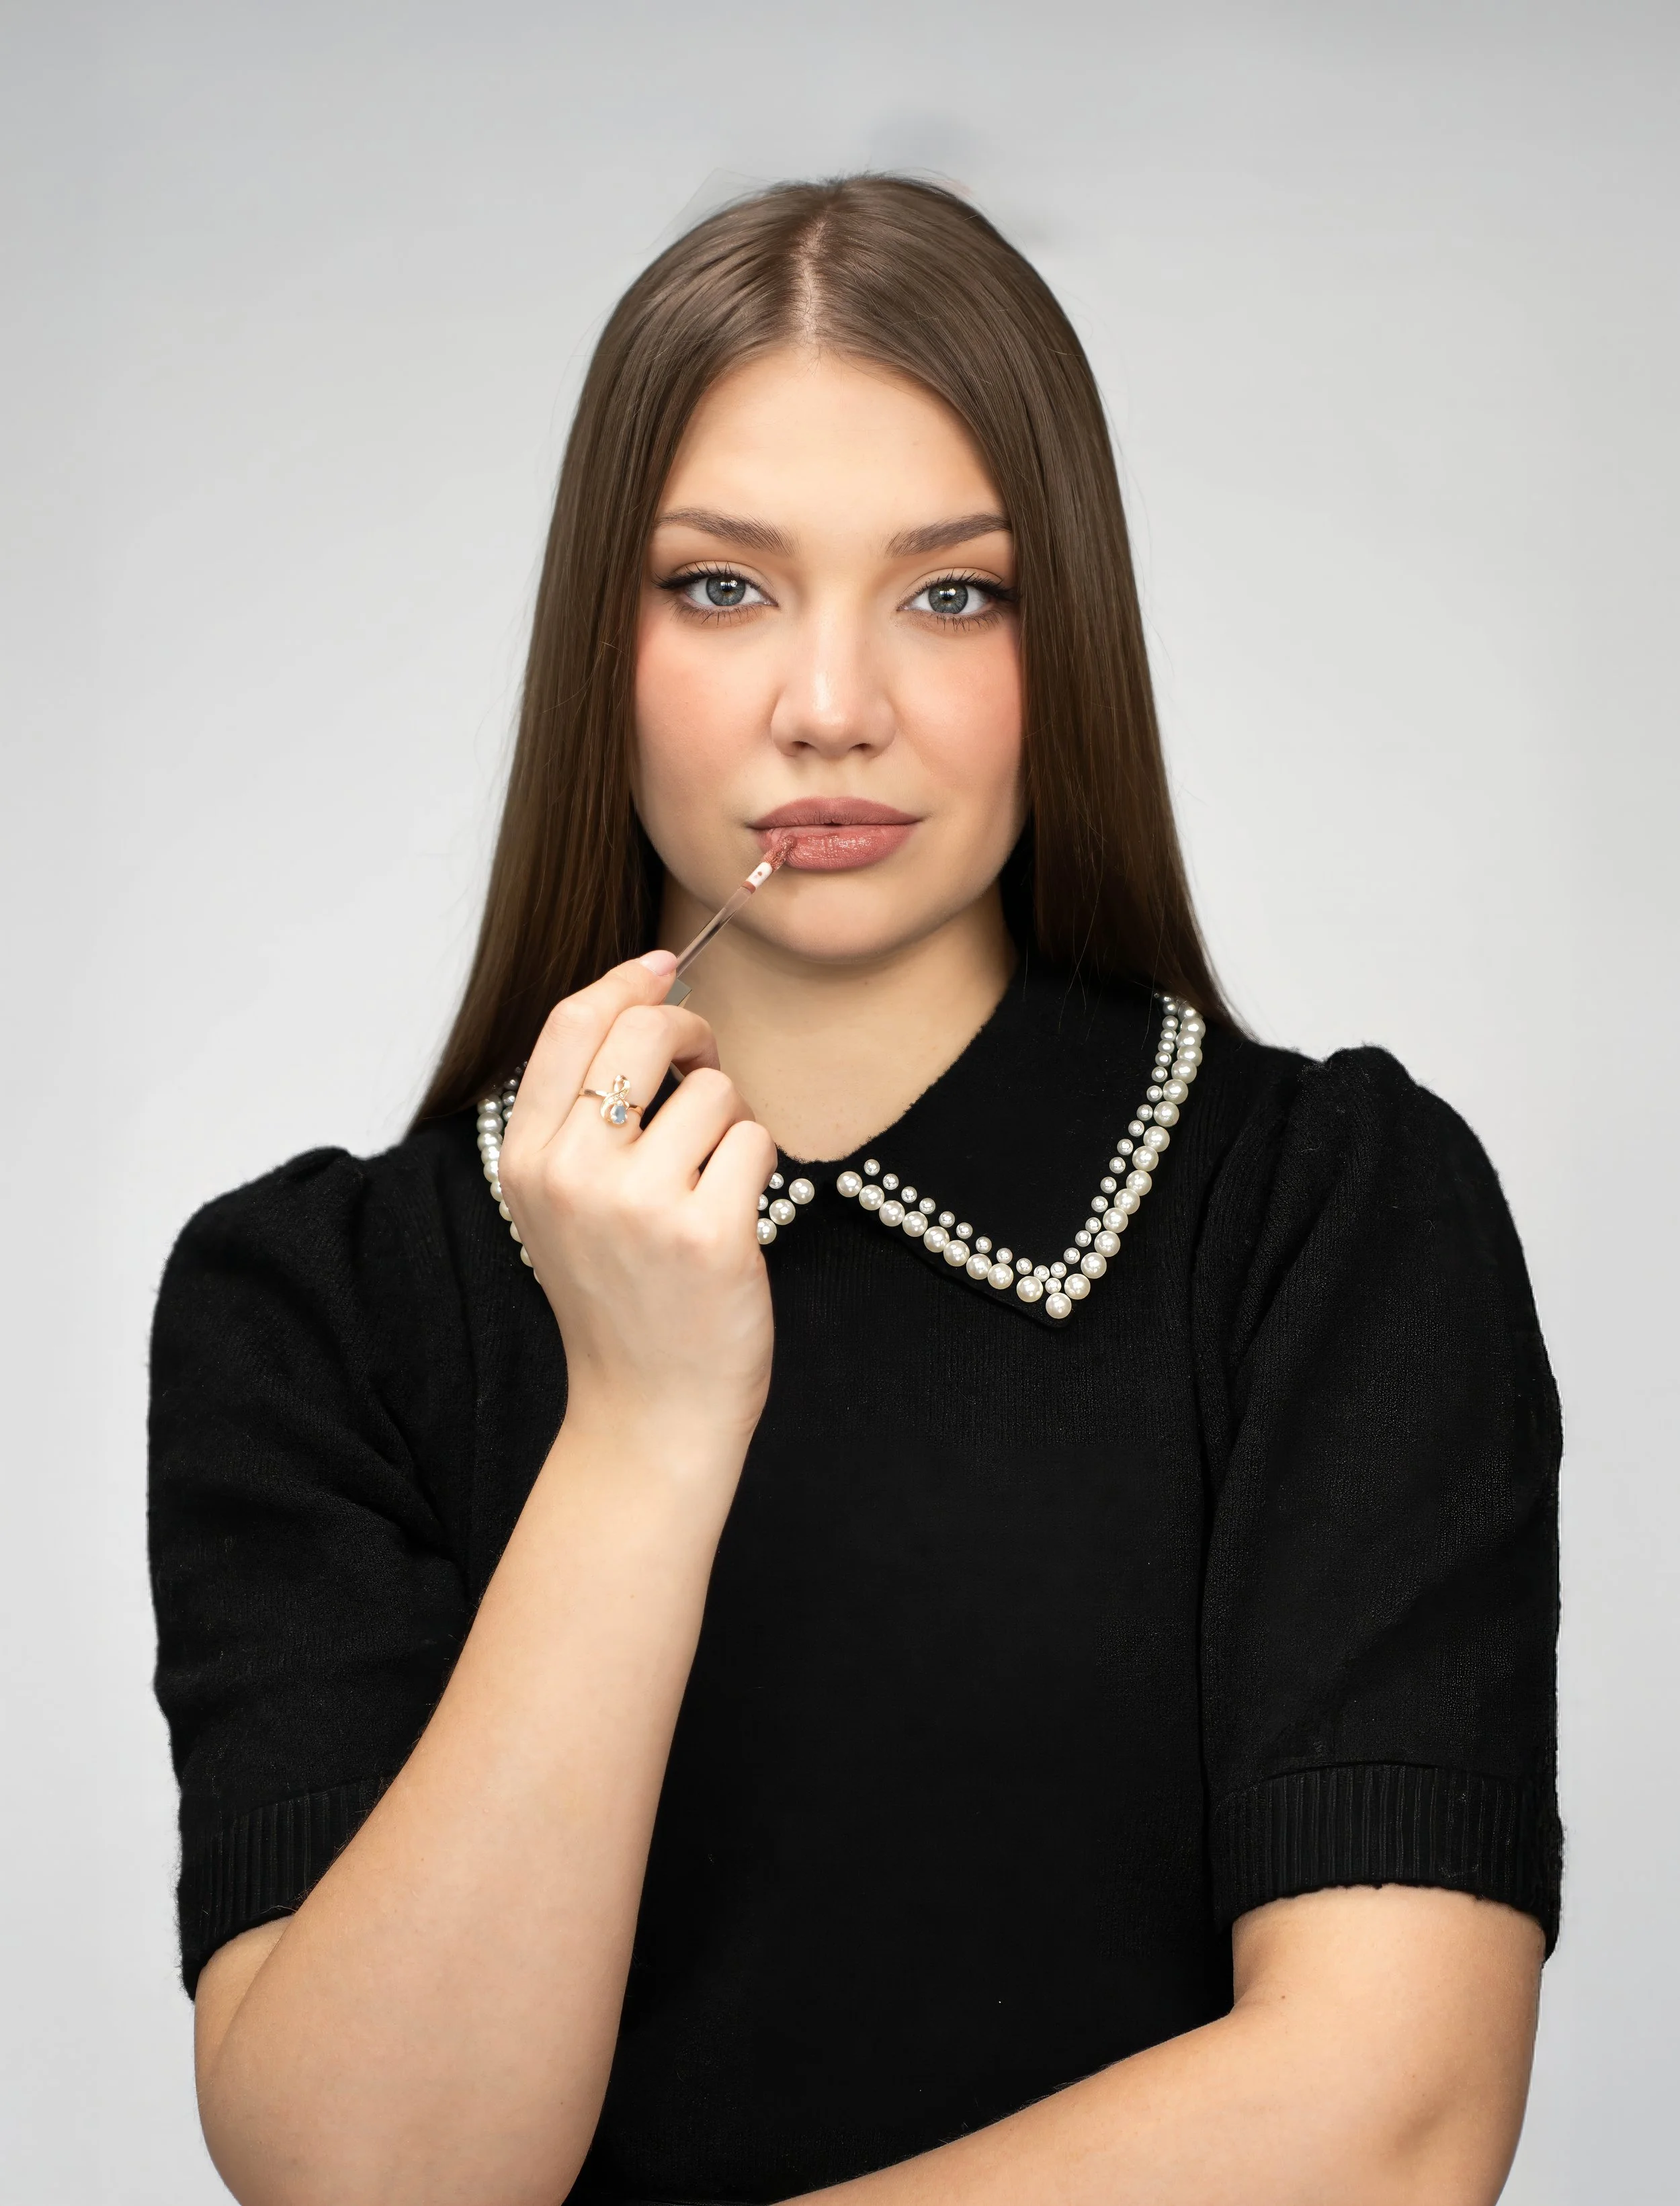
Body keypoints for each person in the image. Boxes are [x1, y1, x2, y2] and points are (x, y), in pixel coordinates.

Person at [149, 176, 1560, 2206]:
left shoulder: (1327, 1214)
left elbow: (1392, 2121)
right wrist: (642, 1425)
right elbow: (375, 2179)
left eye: (952, 592)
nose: (832, 704)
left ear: (1064, 641)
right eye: (721, 588)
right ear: (596, 641)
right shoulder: (323, 1300)